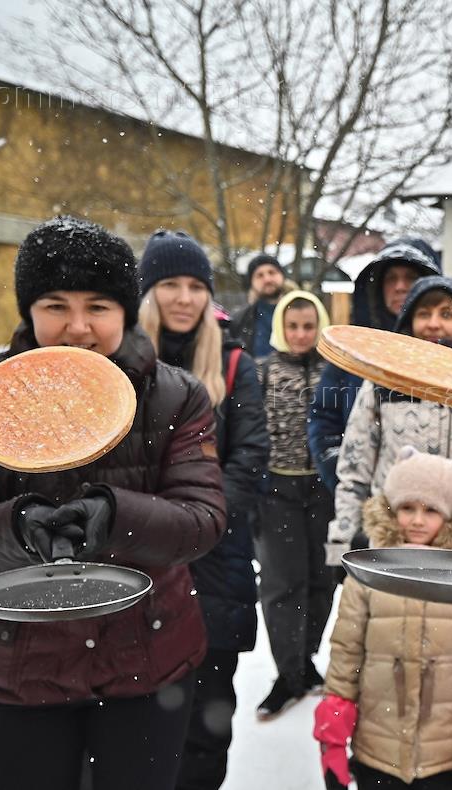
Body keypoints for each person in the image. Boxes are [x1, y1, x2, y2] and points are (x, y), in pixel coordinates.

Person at [0, 216, 227, 790]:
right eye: (55, 305)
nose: (78, 328)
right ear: (28, 311)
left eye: (100, 307)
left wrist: (117, 517)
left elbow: (203, 520)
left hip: (150, 657)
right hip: (17, 667)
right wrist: (15, 529)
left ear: (127, 312)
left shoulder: (176, 396)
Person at [135, 229, 269, 790]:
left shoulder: (235, 364)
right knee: (138, 721)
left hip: (216, 561)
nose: (185, 298)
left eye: (196, 286)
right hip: (137, 561)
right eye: (170, 284)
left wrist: (196, 522)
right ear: (147, 293)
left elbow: (251, 456)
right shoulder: (116, 362)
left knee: (208, 718)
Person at [314, 447, 452, 790]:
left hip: (444, 756)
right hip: (377, 750)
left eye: (431, 510)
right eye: (407, 508)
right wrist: (333, 732)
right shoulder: (366, 575)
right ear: (391, 510)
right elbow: (346, 654)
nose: (418, 520)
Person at [326, 275, 452, 560]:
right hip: (388, 547)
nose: (433, 323)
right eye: (423, 314)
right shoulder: (382, 382)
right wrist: (341, 547)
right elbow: (354, 469)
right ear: (408, 324)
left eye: (447, 314)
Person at [253, 289, 336, 720]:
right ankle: (288, 673)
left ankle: (306, 659)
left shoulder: (334, 371)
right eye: (293, 326)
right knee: (283, 585)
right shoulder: (262, 371)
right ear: (281, 328)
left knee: (324, 579)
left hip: (325, 493)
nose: (301, 334)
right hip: (277, 491)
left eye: (309, 326)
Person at [307, 239, 440, 492]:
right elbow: (324, 417)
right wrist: (345, 477)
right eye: (391, 278)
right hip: (369, 500)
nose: (400, 286)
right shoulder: (355, 351)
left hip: (437, 498)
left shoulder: (451, 354)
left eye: (410, 277)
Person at [228, 253, 293, 359]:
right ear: (251, 283)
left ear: (282, 276)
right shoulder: (239, 320)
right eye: (259, 275)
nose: (267, 279)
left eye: (272, 272)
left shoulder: (304, 310)